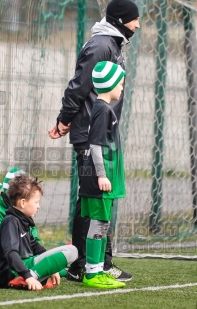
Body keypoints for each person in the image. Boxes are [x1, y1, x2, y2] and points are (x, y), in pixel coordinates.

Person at [47, 0, 139, 282]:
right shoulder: (101, 45)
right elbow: (78, 86)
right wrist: (65, 119)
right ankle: (87, 264)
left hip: (99, 131)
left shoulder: (113, 44)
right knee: (92, 198)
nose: (139, 24)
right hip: (91, 135)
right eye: (136, 18)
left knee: (95, 199)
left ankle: (91, 262)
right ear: (121, 20)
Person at [79, 61, 127, 289]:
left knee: (102, 224)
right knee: (98, 224)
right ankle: (92, 272)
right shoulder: (102, 109)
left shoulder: (104, 108)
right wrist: (102, 175)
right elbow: (96, 145)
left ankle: (98, 269)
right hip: (99, 178)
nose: (122, 86)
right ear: (109, 84)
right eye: (120, 82)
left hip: (101, 177)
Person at [0, 174, 78, 291]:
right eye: (36, 202)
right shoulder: (10, 221)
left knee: (72, 250)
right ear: (22, 203)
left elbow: (36, 247)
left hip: (25, 267)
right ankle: (29, 278)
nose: (39, 206)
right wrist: (27, 276)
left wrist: (53, 268)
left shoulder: (23, 220)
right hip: (11, 273)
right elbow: (11, 253)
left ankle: (33, 276)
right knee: (71, 251)